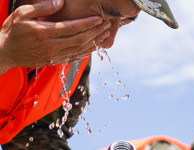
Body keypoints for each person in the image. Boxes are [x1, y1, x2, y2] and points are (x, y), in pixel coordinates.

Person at [0, 0, 179, 149]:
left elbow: (36, 133)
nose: (108, 42)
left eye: (125, 21)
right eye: (104, 14)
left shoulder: (74, 60)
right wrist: (4, 54)